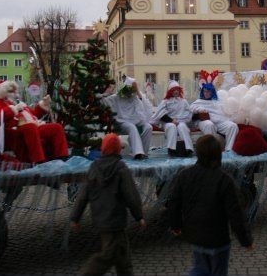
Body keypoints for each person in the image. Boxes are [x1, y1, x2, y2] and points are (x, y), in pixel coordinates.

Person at [168, 134, 253, 276]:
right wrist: (245, 240)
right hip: (218, 239)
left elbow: (174, 203)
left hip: (195, 235)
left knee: (200, 269)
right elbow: (236, 212)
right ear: (218, 154)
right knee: (216, 272)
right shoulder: (224, 180)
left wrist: (176, 226)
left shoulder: (185, 175)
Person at [70, 133, 146, 276]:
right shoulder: (120, 167)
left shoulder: (94, 166)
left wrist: (75, 217)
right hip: (116, 219)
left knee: (122, 255)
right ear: (118, 149)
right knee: (108, 255)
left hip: (100, 217)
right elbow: (131, 194)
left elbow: (83, 195)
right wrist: (139, 216)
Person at [0, 80, 69, 163]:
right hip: (12, 134)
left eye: (15, 91)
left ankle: (62, 156)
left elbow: (34, 115)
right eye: (11, 91)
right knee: (30, 127)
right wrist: (14, 109)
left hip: (31, 130)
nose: (15, 94)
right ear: (2, 92)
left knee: (56, 127)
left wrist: (42, 105)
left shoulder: (19, 104)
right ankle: (38, 160)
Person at [102, 78, 152, 160]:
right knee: (131, 127)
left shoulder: (135, 97)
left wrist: (138, 92)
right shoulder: (116, 97)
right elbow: (104, 101)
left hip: (136, 121)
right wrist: (106, 92)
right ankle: (137, 153)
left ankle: (144, 152)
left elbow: (146, 109)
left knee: (148, 127)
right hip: (121, 122)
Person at [190, 82, 238, 152]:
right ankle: (212, 150)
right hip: (205, 121)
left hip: (218, 121)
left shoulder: (217, 102)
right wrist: (199, 109)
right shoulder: (199, 101)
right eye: (204, 91)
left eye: (208, 91)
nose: (206, 93)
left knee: (233, 126)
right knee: (209, 125)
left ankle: (229, 149)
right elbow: (191, 108)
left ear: (212, 92)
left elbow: (222, 113)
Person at [150, 81, 194, 157]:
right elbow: (161, 114)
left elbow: (189, 113)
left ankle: (188, 148)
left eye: (177, 89)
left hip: (181, 122)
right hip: (168, 122)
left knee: (182, 127)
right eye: (174, 90)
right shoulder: (165, 102)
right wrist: (171, 121)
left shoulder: (183, 101)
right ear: (170, 91)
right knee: (171, 126)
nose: (176, 91)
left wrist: (182, 120)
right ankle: (171, 149)